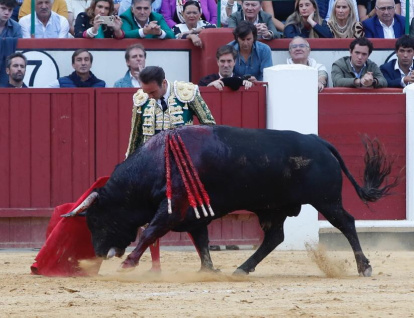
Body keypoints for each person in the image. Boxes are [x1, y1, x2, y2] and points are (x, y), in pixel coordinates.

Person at [125, 65, 216, 157]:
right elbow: (135, 137)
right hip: (151, 158)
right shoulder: (141, 99)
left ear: (164, 83)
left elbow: (209, 125)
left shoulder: (187, 92)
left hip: (184, 156)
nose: (149, 96)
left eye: (153, 92)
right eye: (146, 92)